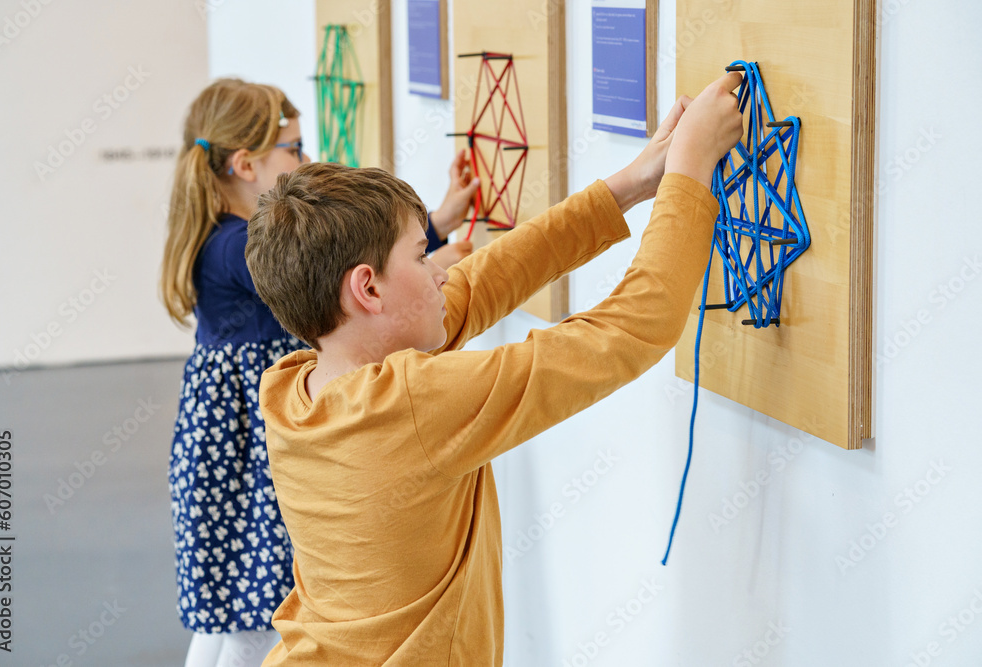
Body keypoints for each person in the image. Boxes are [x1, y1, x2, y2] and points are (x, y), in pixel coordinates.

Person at [244, 71, 743, 665]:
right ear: (368, 289)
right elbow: (631, 331)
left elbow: (481, 284)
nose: (442, 269)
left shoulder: (296, 384)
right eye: (422, 254)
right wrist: (689, 173)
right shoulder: (411, 403)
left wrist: (632, 184)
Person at [159, 78, 479, 667]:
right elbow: (327, 269)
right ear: (247, 164)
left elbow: (340, 261)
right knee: (255, 617)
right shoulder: (236, 247)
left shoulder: (223, 235)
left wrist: (434, 225)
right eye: (295, 148)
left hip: (233, 444)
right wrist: (433, 258)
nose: (305, 160)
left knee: (232, 608)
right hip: (249, 453)